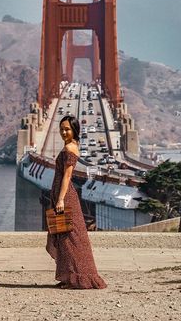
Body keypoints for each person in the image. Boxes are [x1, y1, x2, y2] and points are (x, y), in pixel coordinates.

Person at [46, 115, 107, 289]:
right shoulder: (70, 146)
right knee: (65, 237)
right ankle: (69, 277)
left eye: (67, 129)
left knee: (71, 237)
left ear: (74, 130)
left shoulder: (70, 149)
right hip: (61, 194)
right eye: (62, 129)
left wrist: (60, 199)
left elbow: (67, 176)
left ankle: (80, 278)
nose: (64, 132)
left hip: (65, 197)